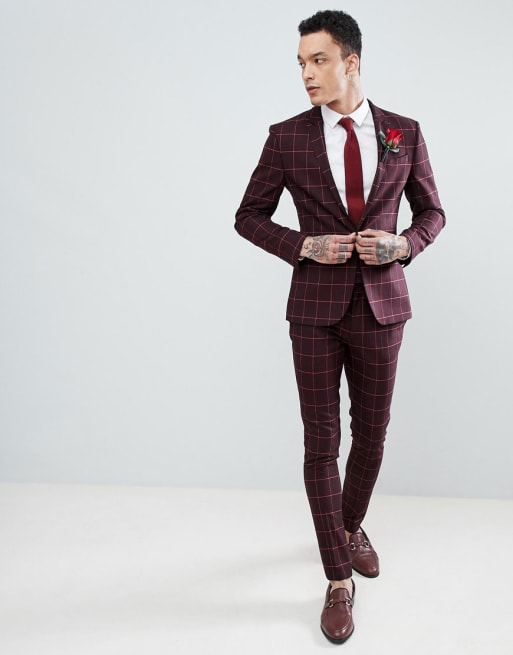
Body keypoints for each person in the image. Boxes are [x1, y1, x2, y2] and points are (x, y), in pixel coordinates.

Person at [235, 9, 445, 645]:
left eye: (318, 60)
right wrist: (304, 245)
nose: (306, 73)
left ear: (351, 62)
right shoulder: (286, 138)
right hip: (314, 311)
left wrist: (403, 245)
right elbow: (248, 216)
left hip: (383, 306)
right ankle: (336, 578)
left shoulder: (403, 132)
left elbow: (432, 213)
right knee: (321, 441)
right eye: (301, 63)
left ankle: (346, 526)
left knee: (372, 436)